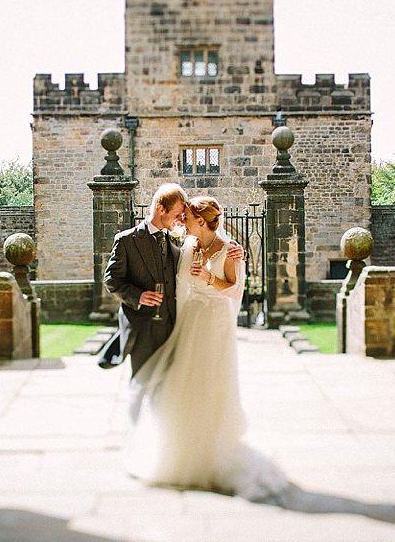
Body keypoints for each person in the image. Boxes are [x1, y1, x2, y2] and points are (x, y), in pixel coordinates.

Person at [123, 195, 289, 501]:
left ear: (201, 221)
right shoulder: (186, 245)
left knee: (212, 382)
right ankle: (183, 444)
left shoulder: (229, 250)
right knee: (185, 381)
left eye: (186, 218)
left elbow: (232, 287)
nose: (181, 222)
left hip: (214, 321)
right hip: (191, 318)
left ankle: (213, 448)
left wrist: (210, 277)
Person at [103, 183, 188, 377]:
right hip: (143, 330)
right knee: (142, 385)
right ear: (161, 209)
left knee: (167, 387)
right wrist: (138, 296)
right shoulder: (127, 240)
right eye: (177, 214)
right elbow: (112, 279)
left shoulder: (175, 241)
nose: (180, 220)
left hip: (172, 327)